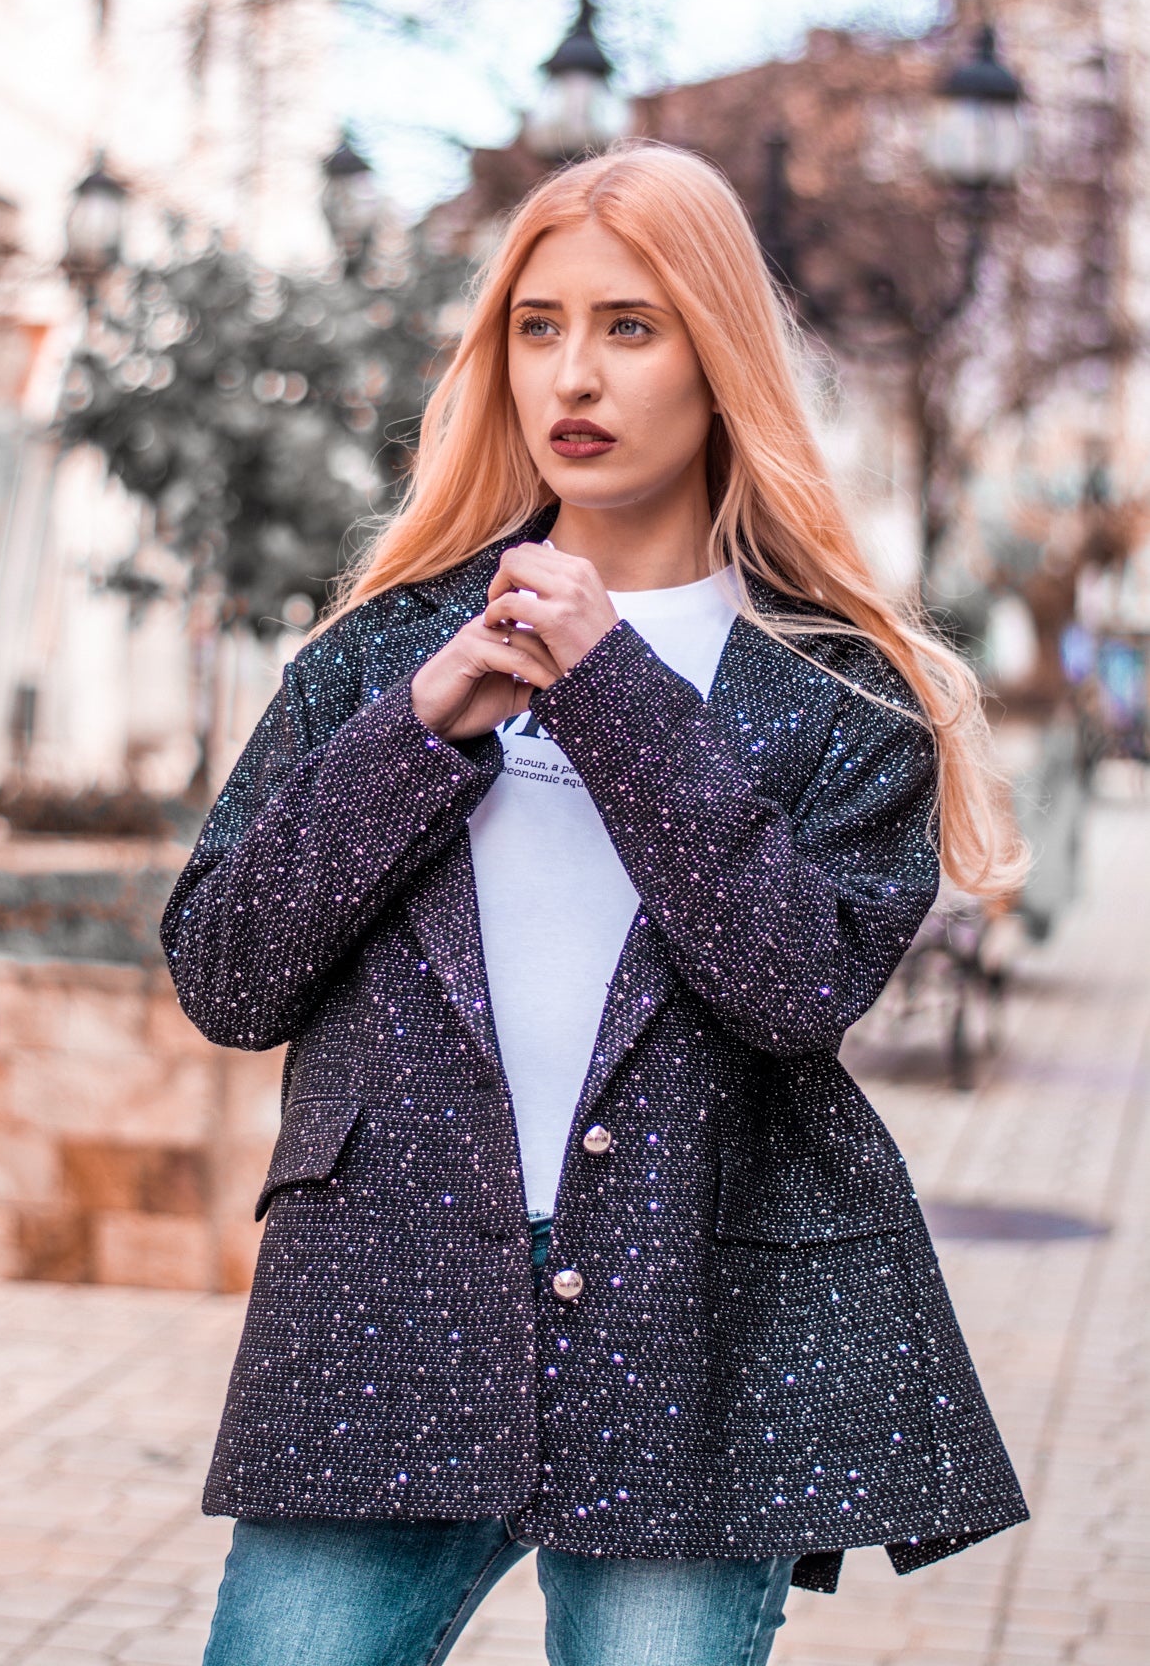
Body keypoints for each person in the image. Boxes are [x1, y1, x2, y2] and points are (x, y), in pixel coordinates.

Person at [161, 144, 1029, 1666]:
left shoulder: (836, 697)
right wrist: (412, 737)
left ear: (716, 361)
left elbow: (791, 986)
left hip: (691, 1317)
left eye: (630, 325)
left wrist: (609, 687)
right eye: (537, 325)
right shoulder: (383, 658)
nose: (576, 370)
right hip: (387, 1301)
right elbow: (228, 976)